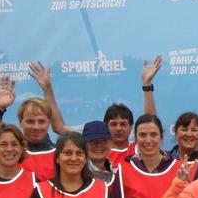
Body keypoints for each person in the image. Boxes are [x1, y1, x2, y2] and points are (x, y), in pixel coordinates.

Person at [32, 55, 162, 168]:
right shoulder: (93, 145)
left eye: (123, 124)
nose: (118, 129)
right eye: (113, 124)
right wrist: (47, 89)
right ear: (105, 127)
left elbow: (150, 122)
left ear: (131, 127)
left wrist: (147, 84)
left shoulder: (137, 150)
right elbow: (59, 127)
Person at [0, 71, 59, 179]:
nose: (36, 127)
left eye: (41, 122)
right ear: (20, 122)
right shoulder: (10, 152)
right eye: (30, 122)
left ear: (49, 122)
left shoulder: (60, 153)